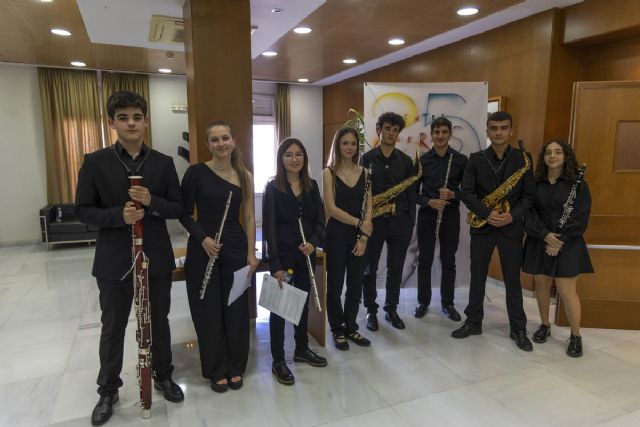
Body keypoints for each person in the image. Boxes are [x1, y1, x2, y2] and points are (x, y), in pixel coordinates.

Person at [75, 91, 184, 426]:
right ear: (112, 123)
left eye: (137, 117)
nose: (131, 123)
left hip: (156, 256)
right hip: (113, 259)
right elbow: (82, 211)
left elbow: (178, 208)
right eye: (123, 118)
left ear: (145, 120)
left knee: (159, 321)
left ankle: (163, 375)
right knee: (113, 325)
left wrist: (152, 201)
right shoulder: (95, 161)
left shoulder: (163, 163)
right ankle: (108, 389)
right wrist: (115, 216)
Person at [179, 121, 259, 392]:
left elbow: (248, 216)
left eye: (225, 138)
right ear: (208, 144)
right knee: (208, 311)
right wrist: (202, 238)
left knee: (235, 309)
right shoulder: (196, 172)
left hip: (235, 247)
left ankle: (236, 365)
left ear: (234, 140)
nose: (221, 143)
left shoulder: (244, 174)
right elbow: (183, 212)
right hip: (204, 247)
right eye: (215, 140)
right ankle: (215, 368)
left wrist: (251, 253)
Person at [453, 111, 535, 352]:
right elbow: (466, 193)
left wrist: (512, 215)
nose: (498, 132)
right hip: (483, 226)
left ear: (511, 131)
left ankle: (518, 328)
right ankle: (474, 321)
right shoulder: (475, 158)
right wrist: (487, 213)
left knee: (512, 279)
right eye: (493, 128)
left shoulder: (524, 159)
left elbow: (529, 196)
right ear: (487, 131)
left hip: (511, 227)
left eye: (503, 127)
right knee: (477, 276)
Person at [262, 138, 328, 385]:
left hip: (305, 255)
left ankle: (301, 349)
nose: (294, 159)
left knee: (301, 304)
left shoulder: (311, 186)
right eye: (288, 155)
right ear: (281, 159)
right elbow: (268, 228)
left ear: (304, 158)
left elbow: (320, 221)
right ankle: (278, 360)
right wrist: (275, 264)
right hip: (283, 256)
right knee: (279, 309)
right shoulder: (273, 188)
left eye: (299, 154)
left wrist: (312, 242)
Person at [523, 139, 593, 357]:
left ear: (566, 156)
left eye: (558, 152)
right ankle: (544, 325)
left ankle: (575, 336)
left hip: (568, 242)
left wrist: (559, 240)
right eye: (548, 153)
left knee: (566, 291)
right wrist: (545, 236)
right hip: (540, 240)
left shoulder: (577, 184)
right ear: (543, 158)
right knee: (541, 286)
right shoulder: (535, 184)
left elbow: (581, 216)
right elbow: (529, 213)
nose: (552, 156)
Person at [361, 112, 417, 331]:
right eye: (387, 128)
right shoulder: (366, 159)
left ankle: (391, 309)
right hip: (373, 223)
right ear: (379, 130)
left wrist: (409, 221)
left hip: (399, 223)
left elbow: (411, 195)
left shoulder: (405, 161)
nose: (391, 133)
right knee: (369, 268)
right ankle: (371, 310)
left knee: (396, 268)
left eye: (395, 130)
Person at [322, 127, 373, 351]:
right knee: (334, 285)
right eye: (345, 143)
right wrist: (359, 223)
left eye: (353, 143)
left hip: (360, 236)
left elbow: (369, 208)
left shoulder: (367, 173)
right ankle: (337, 328)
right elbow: (331, 208)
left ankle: (351, 326)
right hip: (336, 235)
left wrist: (363, 236)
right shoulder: (328, 173)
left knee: (355, 284)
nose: (350, 147)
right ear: (338, 146)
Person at [414, 117, 468, 321]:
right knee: (425, 260)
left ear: (450, 134)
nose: (440, 136)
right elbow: (413, 192)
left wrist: (454, 195)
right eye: (436, 132)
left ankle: (448, 304)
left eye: (444, 132)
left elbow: (469, 192)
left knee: (448, 261)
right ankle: (423, 302)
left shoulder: (461, 160)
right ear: (431, 134)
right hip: (428, 216)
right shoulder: (422, 160)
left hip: (450, 216)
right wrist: (428, 202)